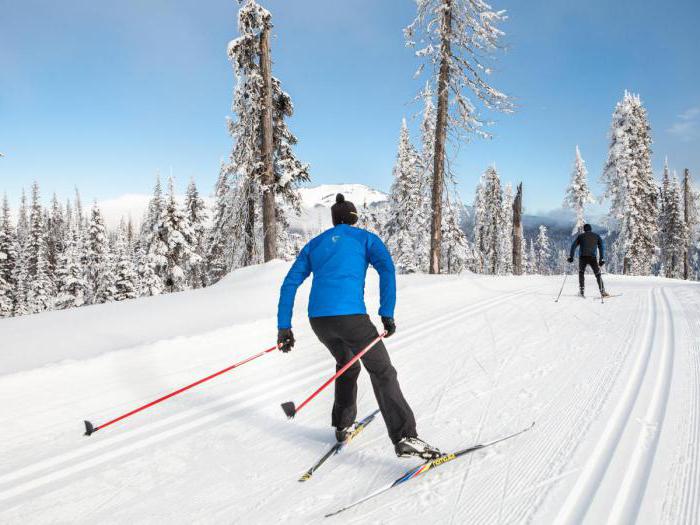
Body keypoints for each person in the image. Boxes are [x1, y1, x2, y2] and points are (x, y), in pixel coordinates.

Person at [276, 193, 440, 459]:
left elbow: (289, 283)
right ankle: (405, 436)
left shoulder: (315, 244)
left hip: (319, 321)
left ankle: (342, 425)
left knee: (347, 363)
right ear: (353, 218)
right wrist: (386, 313)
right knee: (382, 371)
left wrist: (284, 327)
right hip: (351, 318)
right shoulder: (365, 239)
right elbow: (387, 269)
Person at [567, 223, 609, 298]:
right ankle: (602, 292)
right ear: (591, 229)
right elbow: (601, 247)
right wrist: (601, 259)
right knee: (598, 274)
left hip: (583, 258)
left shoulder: (580, 236)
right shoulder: (596, 236)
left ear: (584, 229)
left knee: (581, 273)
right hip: (592, 258)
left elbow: (573, 246)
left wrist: (571, 257)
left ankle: (582, 292)